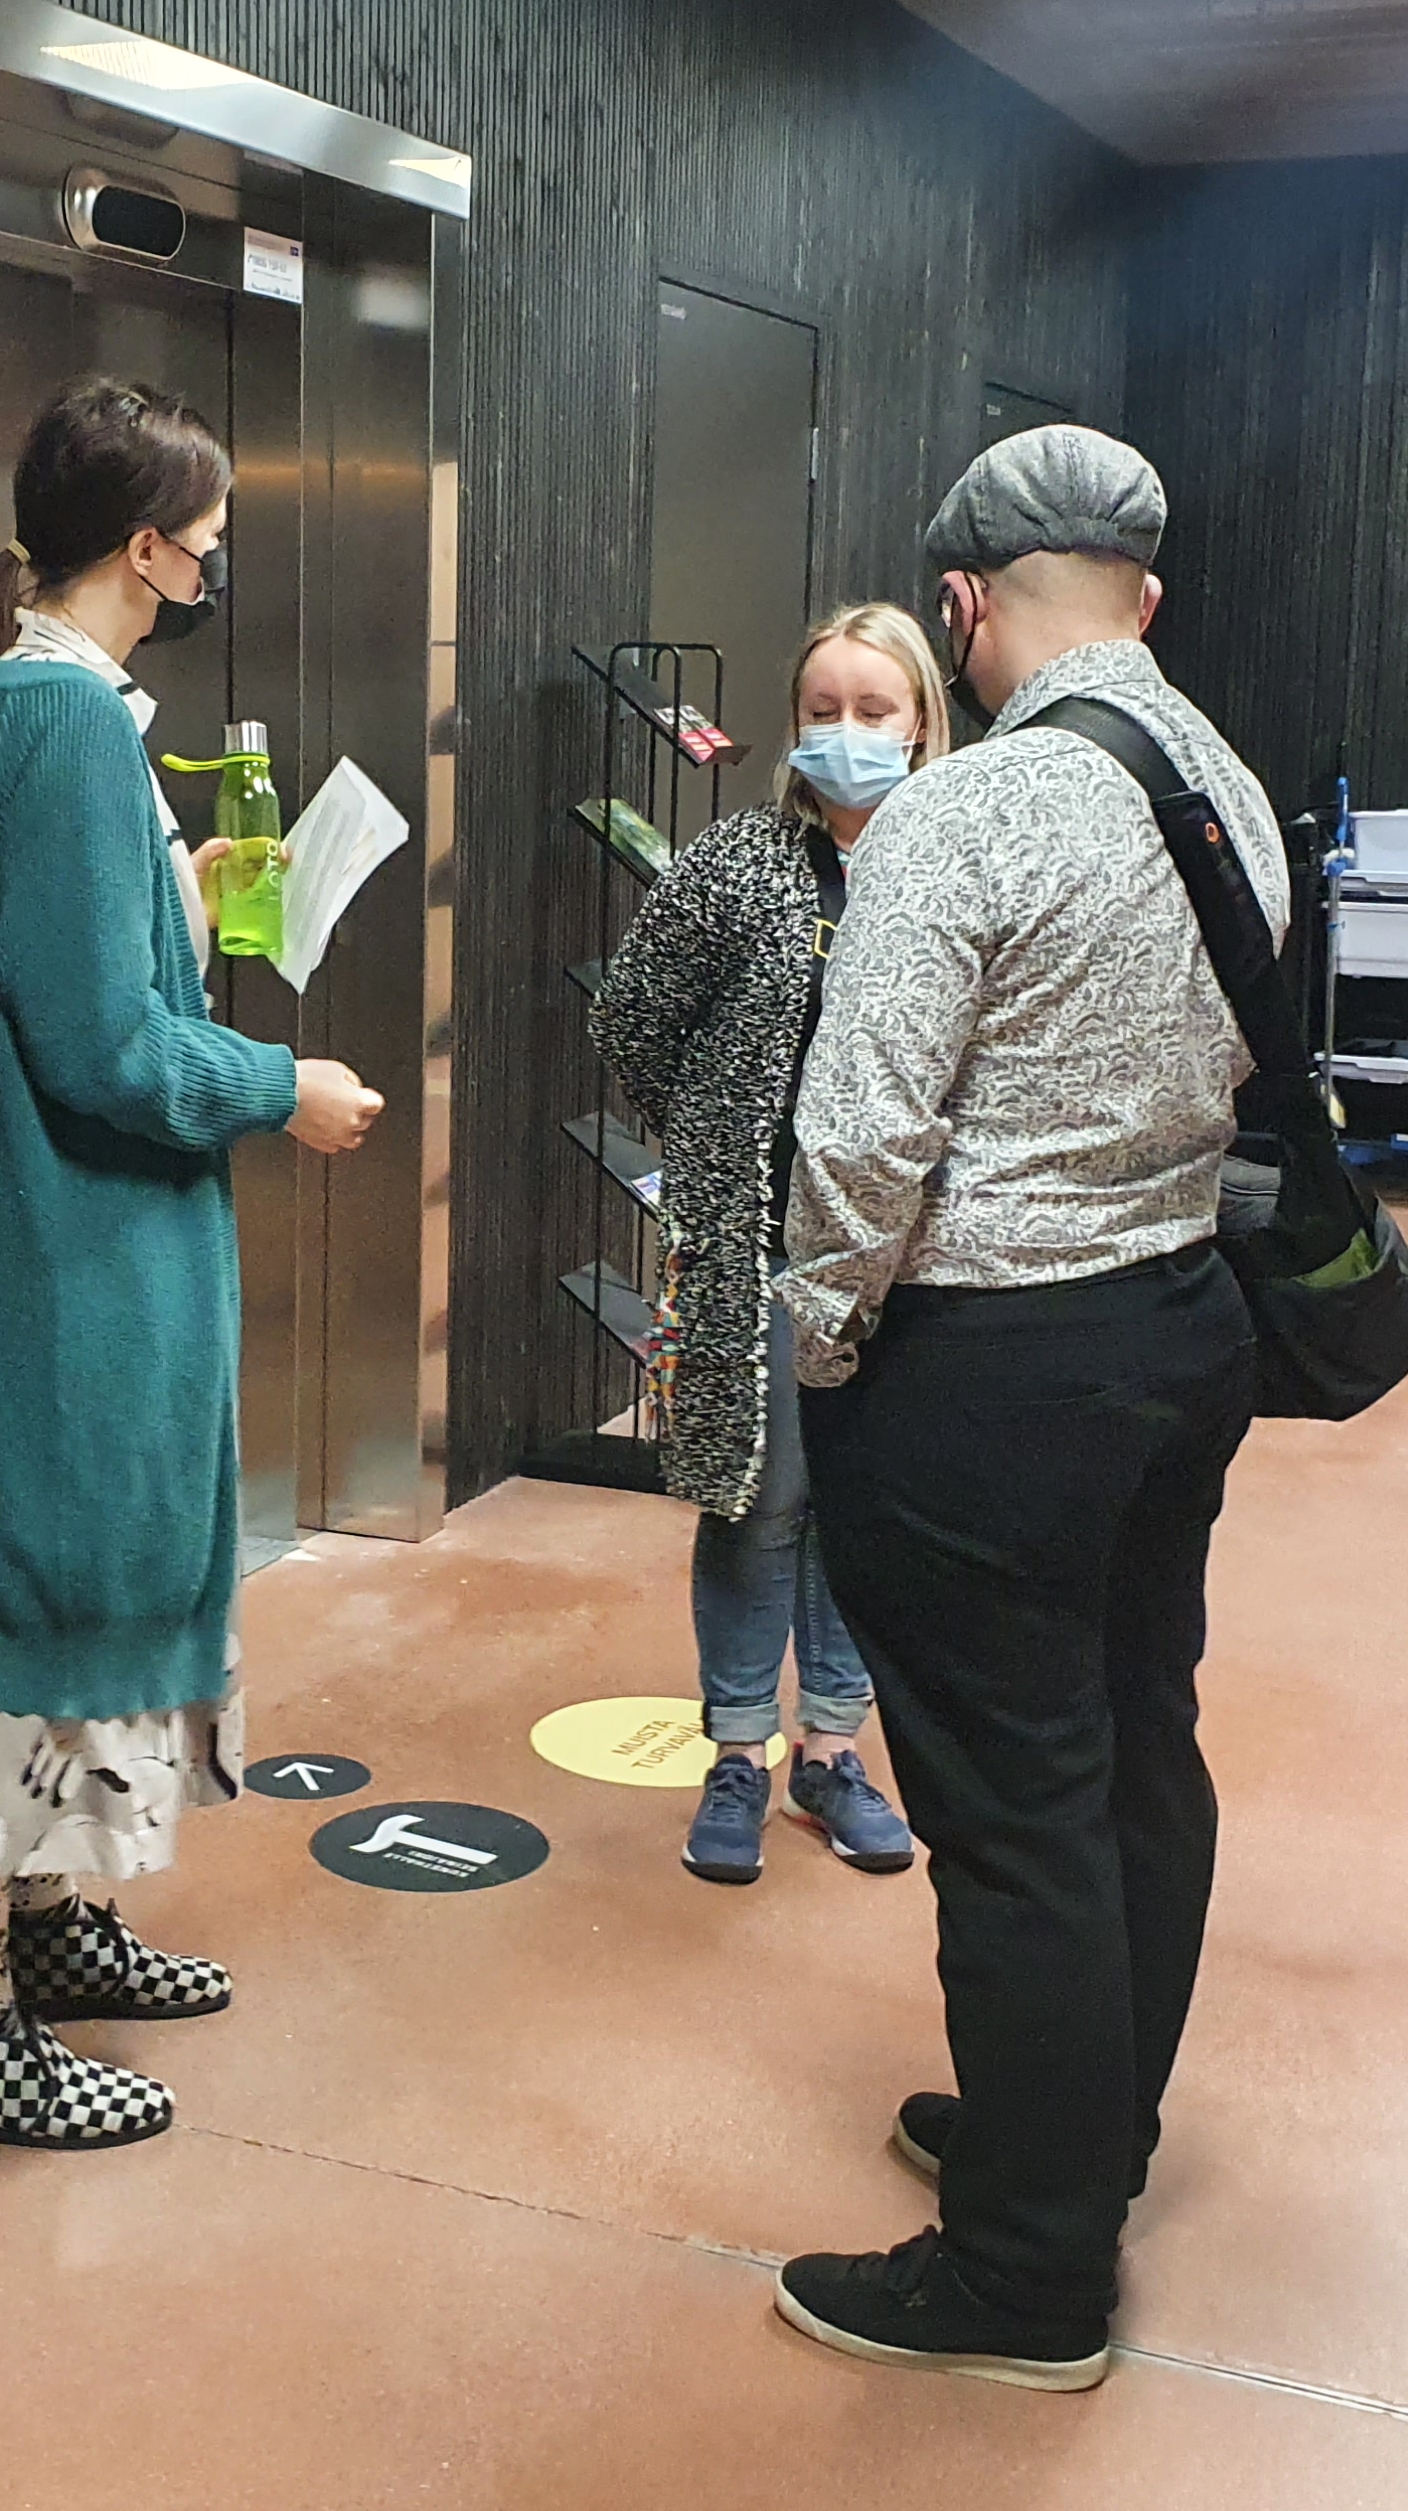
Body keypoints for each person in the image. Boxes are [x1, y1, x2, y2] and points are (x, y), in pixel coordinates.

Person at [0, 375, 383, 2153]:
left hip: (29, 1254)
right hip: (56, 1265)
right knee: (13, 1622)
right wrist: (278, 1083)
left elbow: (54, 965)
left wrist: (178, 888)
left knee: (49, 1600)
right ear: (145, 546)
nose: (214, 557)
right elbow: (99, 1047)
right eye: (202, 533)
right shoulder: (60, 727)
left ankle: (54, 1934)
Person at [768, 426, 1286, 2388]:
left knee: (1016, 1812)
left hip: (992, 1372)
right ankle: (1087, 2137)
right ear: (1140, 599)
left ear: (970, 608)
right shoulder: (1220, 781)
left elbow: (860, 1141)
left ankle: (1027, 2276)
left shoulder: (962, 824)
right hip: (1177, 1333)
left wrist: (826, 1352)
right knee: (1137, 1750)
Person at [590, 607, 942, 1885]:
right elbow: (634, 1020)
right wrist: (713, 1137)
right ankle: (737, 1750)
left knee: (861, 1506)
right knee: (756, 1499)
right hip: (755, 1242)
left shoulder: (945, 864)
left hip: (901, 1254)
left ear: (922, 722)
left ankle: (834, 1752)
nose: (846, 734)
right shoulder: (742, 864)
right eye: (824, 710)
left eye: (874, 711)